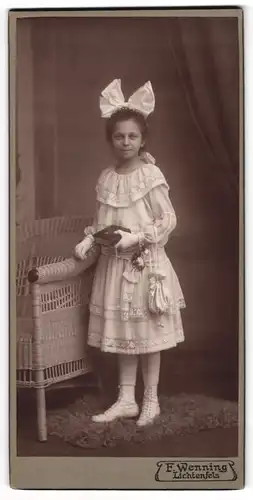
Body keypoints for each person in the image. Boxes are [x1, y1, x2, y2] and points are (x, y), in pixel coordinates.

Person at [74, 78, 186, 426]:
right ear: (110, 139)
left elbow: (168, 219)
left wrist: (137, 238)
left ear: (142, 140)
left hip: (145, 265)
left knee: (148, 335)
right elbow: (103, 222)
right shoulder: (107, 177)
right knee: (126, 334)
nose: (125, 142)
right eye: (119, 136)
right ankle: (126, 399)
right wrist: (90, 239)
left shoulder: (150, 175)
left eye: (132, 136)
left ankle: (150, 399)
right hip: (114, 266)